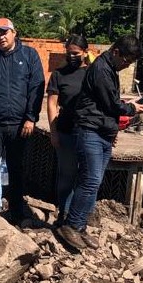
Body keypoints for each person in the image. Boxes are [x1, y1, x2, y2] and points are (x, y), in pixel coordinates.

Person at [57, 34, 143, 251]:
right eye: (126, 61)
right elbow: (112, 105)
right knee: (90, 180)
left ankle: (80, 225)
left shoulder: (109, 69)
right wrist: (132, 109)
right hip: (90, 131)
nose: (127, 66)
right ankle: (70, 225)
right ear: (116, 52)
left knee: (94, 182)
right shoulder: (102, 70)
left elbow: (109, 105)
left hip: (102, 132)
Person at [0, 17, 45, 223]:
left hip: (20, 124)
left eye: (5, 32)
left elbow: (36, 87)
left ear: (14, 33)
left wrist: (31, 117)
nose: (1, 36)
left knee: (16, 167)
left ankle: (16, 212)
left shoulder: (29, 56)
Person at [47, 34, 91, 225]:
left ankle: (79, 218)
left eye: (76, 53)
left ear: (85, 53)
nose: (72, 56)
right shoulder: (59, 75)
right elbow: (52, 104)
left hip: (89, 133)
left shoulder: (92, 74)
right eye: (69, 53)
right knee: (66, 175)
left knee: (87, 178)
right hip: (66, 132)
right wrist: (53, 132)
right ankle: (63, 214)